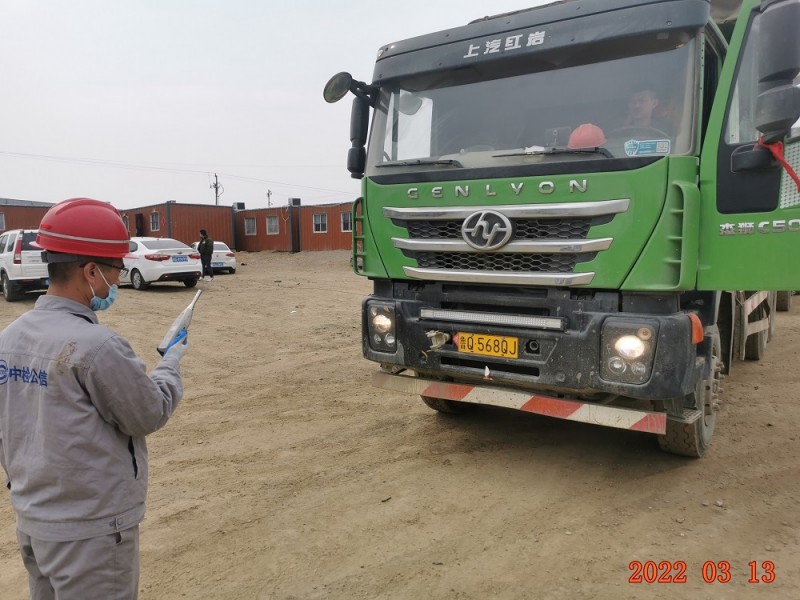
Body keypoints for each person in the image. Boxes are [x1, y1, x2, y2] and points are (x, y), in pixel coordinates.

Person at [0, 198, 188, 599]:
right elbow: (147, 413)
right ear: (90, 272)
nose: (117, 281)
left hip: (34, 524)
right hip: (90, 535)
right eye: (115, 269)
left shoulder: (9, 339)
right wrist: (171, 362)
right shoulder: (97, 346)